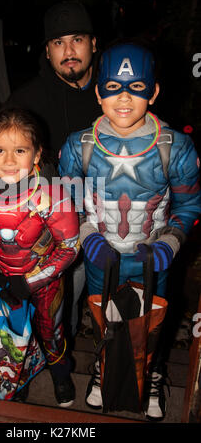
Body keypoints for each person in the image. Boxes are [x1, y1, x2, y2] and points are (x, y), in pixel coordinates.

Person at [58, 41, 201, 420]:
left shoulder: (177, 147)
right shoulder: (78, 146)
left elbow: (188, 205)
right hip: (99, 258)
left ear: (153, 92)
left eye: (136, 88)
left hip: (153, 260)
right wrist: (87, 237)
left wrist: (170, 242)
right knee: (103, 318)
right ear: (98, 93)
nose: (124, 98)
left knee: (149, 323)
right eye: (113, 87)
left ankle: (150, 372)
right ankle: (105, 369)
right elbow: (67, 206)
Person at [0, 0, 101, 338]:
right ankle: (50, 355)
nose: (68, 51)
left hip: (111, 213)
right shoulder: (28, 97)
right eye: (58, 43)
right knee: (59, 304)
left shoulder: (113, 93)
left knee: (109, 302)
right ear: (48, 51)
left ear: (93, 44)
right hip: (55, 225)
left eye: (77, 39)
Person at [0, 107, 80, 407]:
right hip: (2, 278)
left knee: (50, 330)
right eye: (0, 150)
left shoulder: (52, 196)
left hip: (44, 280)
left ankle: (60, 373)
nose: (10, 160)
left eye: (20, 150)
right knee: (12, 334)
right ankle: (20, 375)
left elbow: (70, 247)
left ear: (37, 155)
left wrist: (31, 282)